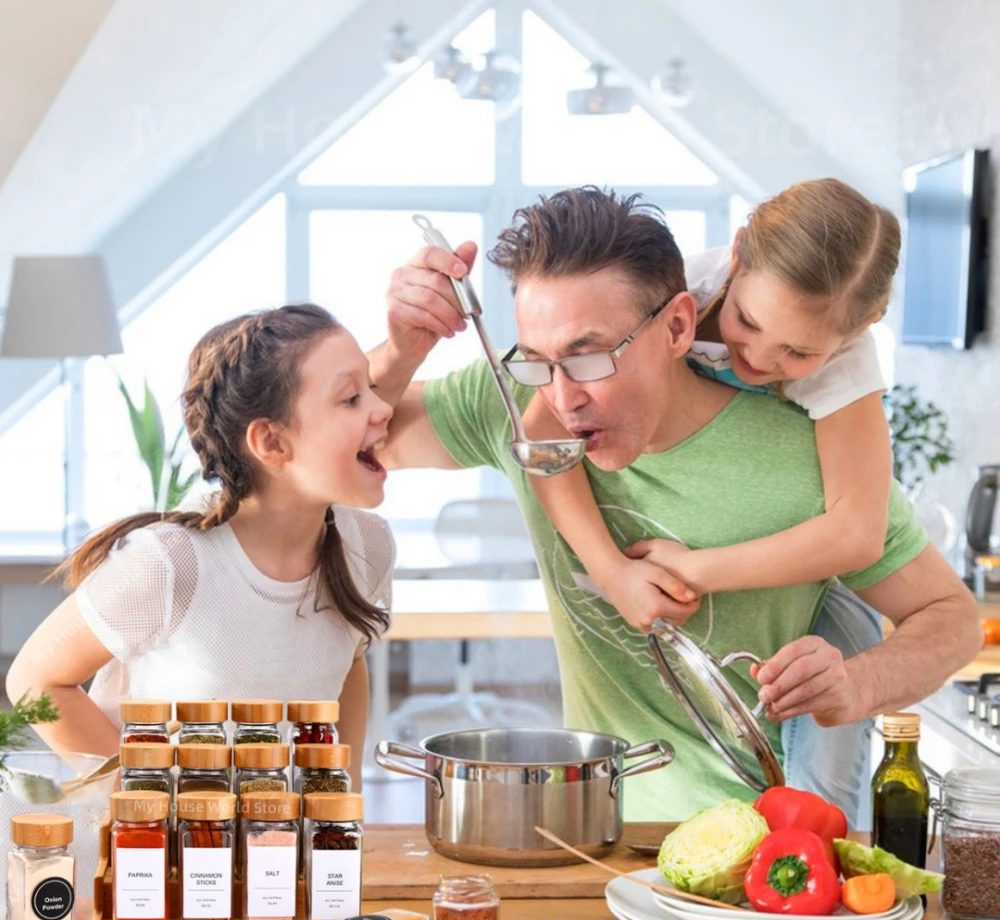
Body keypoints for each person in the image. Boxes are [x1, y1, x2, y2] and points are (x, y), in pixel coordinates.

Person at [370, 186, 981, 822]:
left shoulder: (811, 455)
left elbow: (951, 620)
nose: (561, 397)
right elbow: (342, 442)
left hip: (766, 865)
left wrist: (853, 685)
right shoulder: (521, 391)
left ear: (680, 327)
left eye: (589, 359)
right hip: (593, 843)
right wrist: (401, 348)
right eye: (540, 361)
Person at [519, 178, 899, 823]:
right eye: (747, 322)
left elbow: (857, 536)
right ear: (738, 253)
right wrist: (611, 571)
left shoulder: (848, 364)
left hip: (823, 584)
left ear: (861, 328)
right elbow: (540, 432)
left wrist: (694, 567)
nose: (756, 356)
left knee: (821, 774)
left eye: (798, 352)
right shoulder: (683, 287)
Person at [5, 305, 393, 790]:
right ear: (271, 442)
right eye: (352, 398)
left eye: (371, 389)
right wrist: (149, 798)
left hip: (276, 844)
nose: (383, 409)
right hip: (159, 852)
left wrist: (338, 791)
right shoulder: (169, 564)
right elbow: (34, 682)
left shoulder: (368, 546)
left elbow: (349, 664)